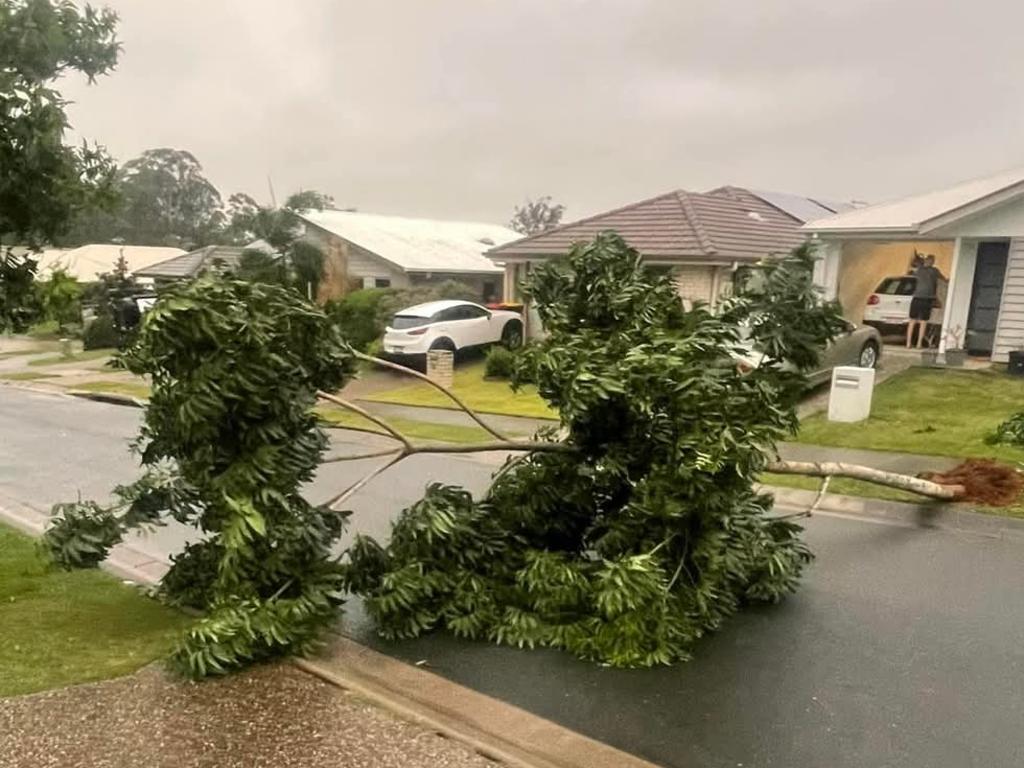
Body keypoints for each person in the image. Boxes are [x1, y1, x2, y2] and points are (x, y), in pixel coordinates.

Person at [907, 255, 945, 348]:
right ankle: (918, 343)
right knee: (923, 321)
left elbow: (910, 272)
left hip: (917, 298)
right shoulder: (934, 271)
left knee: (913, 321)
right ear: (932, 262)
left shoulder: (919, 270)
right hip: (927, 298)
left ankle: (909, 343)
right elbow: (943, 279)